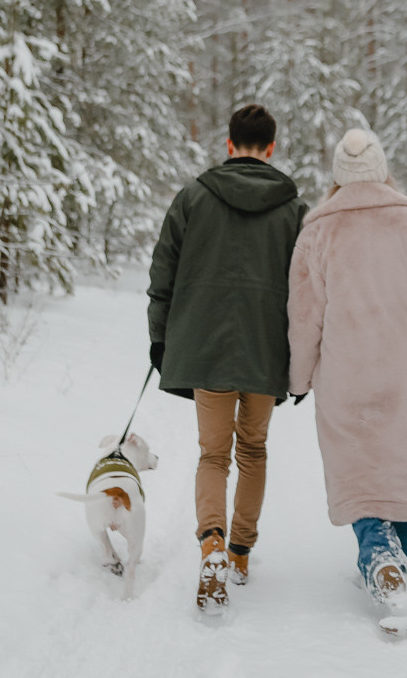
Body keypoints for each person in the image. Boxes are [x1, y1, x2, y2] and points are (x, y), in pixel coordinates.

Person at [287, 128, 407, 636]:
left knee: (362, 468)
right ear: (383, 169)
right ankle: (398, 566)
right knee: (402, 466)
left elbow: (304, 315)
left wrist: (299, 377)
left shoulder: (317, 231)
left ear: (338, 177)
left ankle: (381, 559)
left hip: (345, 372)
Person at [147, 103, 307, 613]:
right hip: (266, 350)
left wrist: (160, 340)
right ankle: (239, 553)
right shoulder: (295, 210)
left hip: (206, 346)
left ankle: (211, 542)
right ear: (273, 147)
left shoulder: (193, 198)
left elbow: (162, 278)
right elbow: (310, 292)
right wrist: (304, 357)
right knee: (253, 451)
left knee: (212, 455)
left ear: (229, 143)